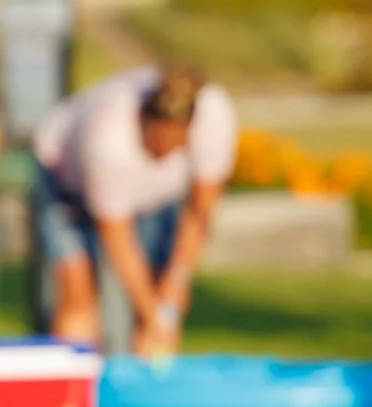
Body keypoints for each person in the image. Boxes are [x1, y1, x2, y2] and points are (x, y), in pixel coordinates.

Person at [30, 65, 237, 356]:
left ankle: (148, 375)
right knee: (78, 291)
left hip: (153, 197)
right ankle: (76, 379)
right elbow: (116, 238)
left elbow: (199, 212)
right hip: (65, 181)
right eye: (157, 143)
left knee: (161, 287)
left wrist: (175, 287)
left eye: (175, 144)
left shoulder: (214, 119)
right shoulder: (108, 137)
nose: (164, 154)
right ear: (143, 121)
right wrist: (152, 313)